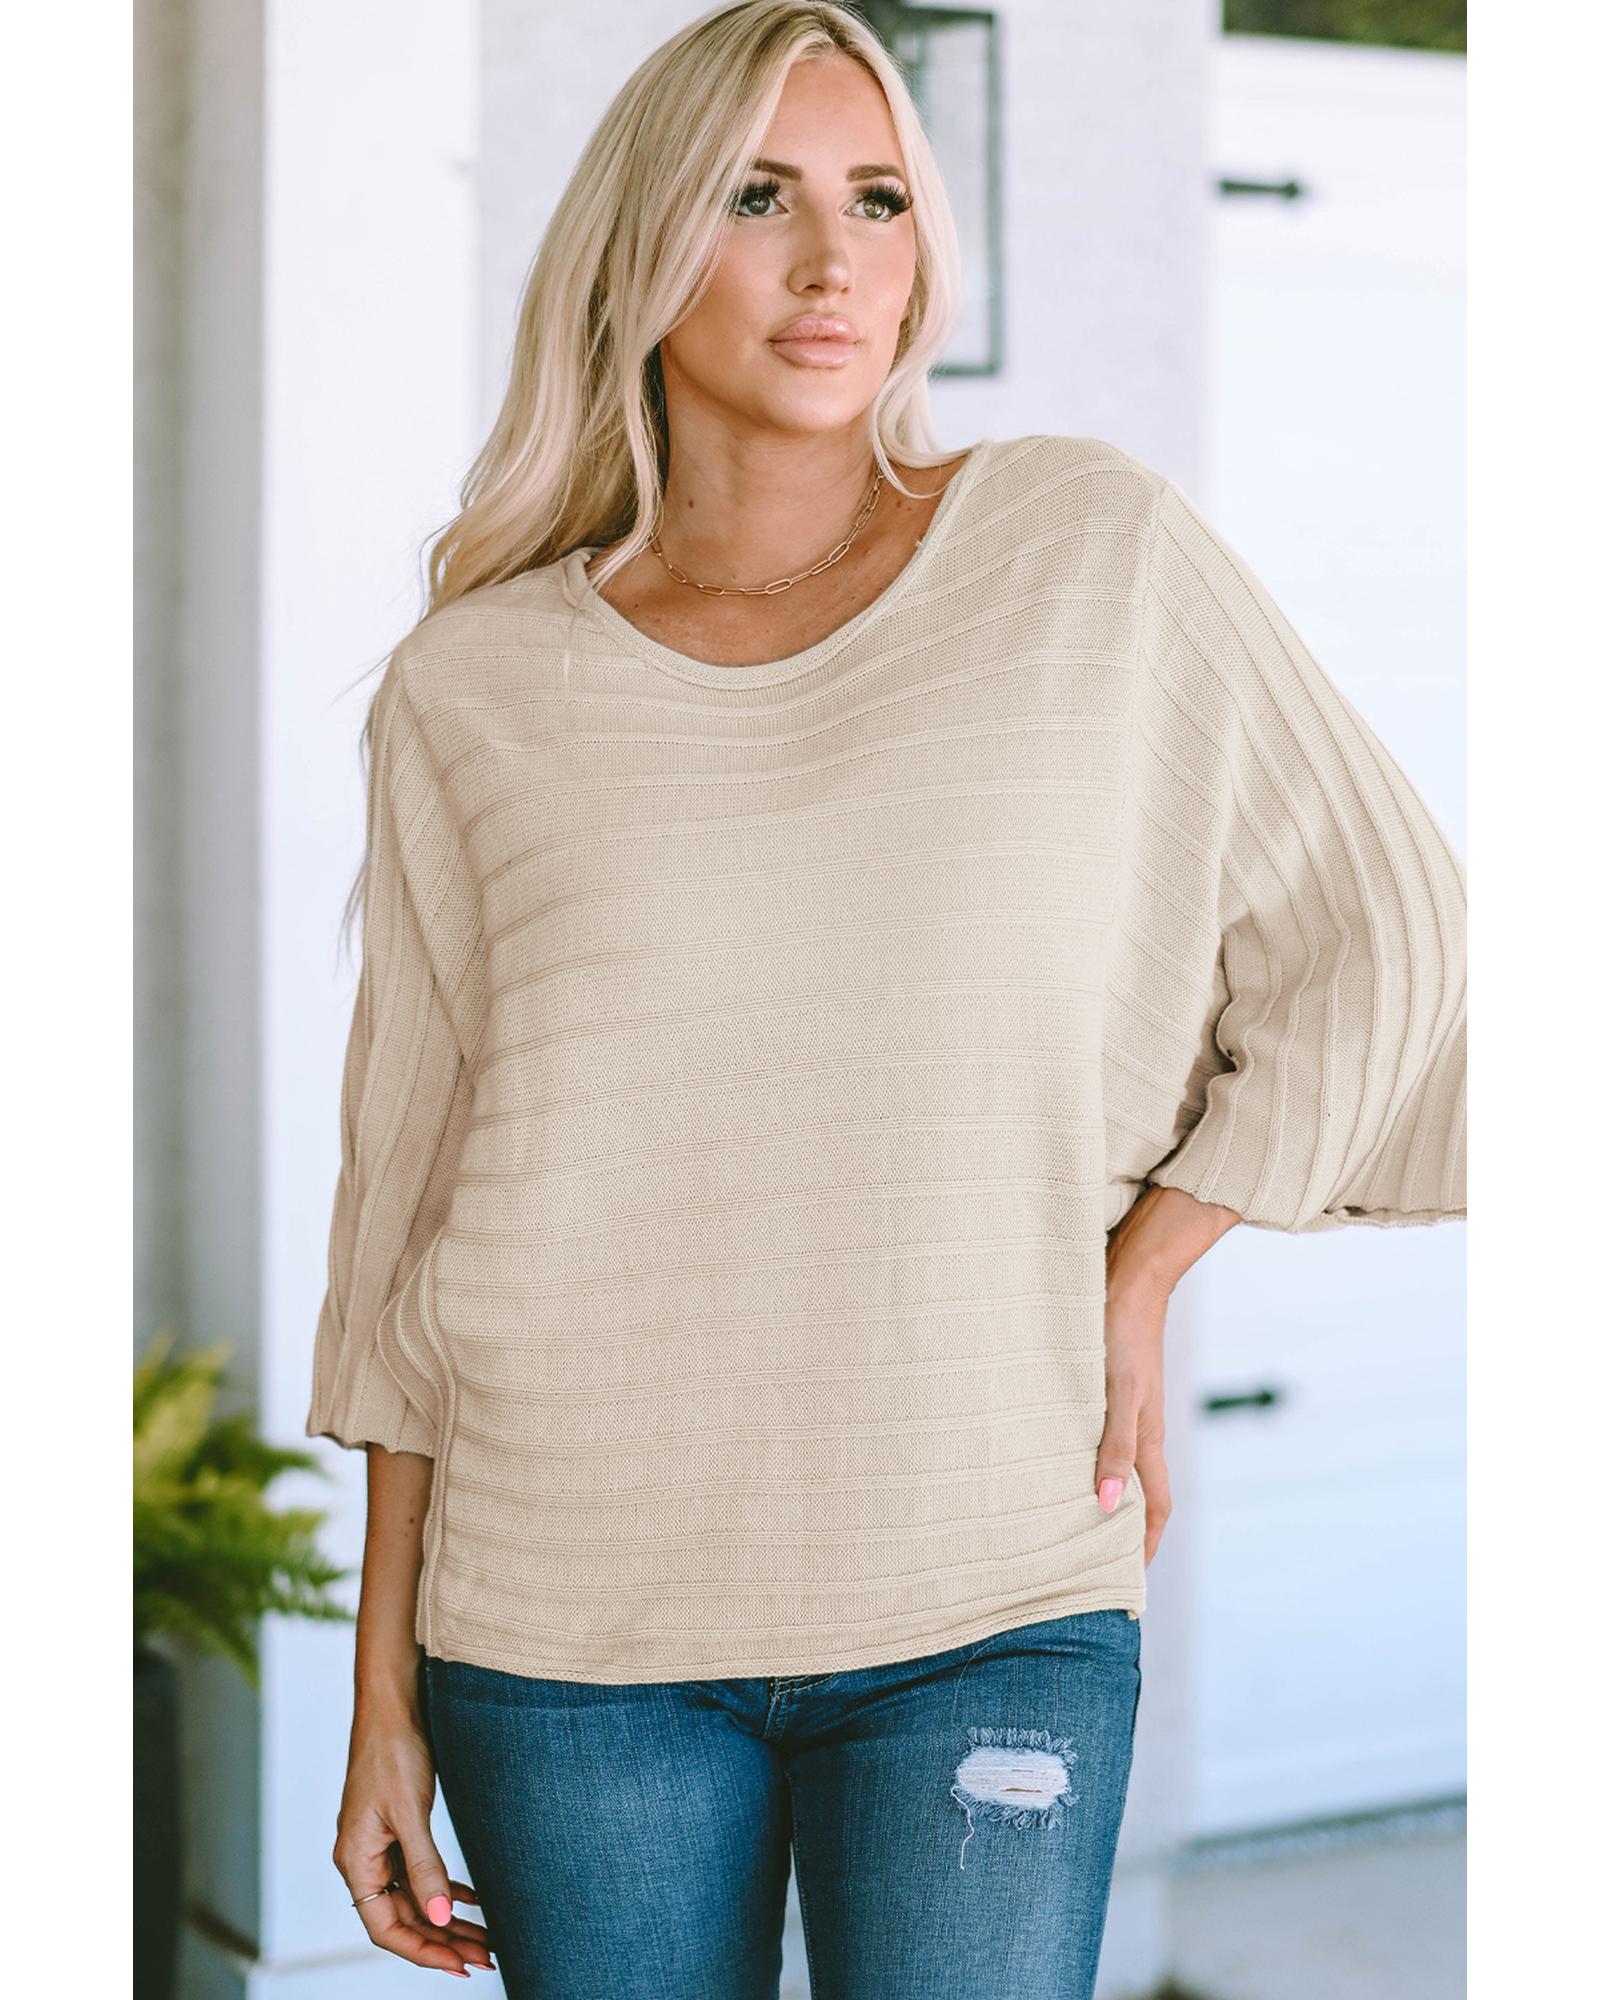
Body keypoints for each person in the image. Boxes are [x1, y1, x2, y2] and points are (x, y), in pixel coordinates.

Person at [304, 4, 1467, 1994]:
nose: (834, 261)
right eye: (758, 198)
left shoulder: (1083, 552)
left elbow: (1389, 919)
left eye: (879, 200)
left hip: (989, 1574)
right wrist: (380, 1701)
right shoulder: (473, 688)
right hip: (563, 1620)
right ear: (638, 244)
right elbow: (410, 1216)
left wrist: (1145, 1263)